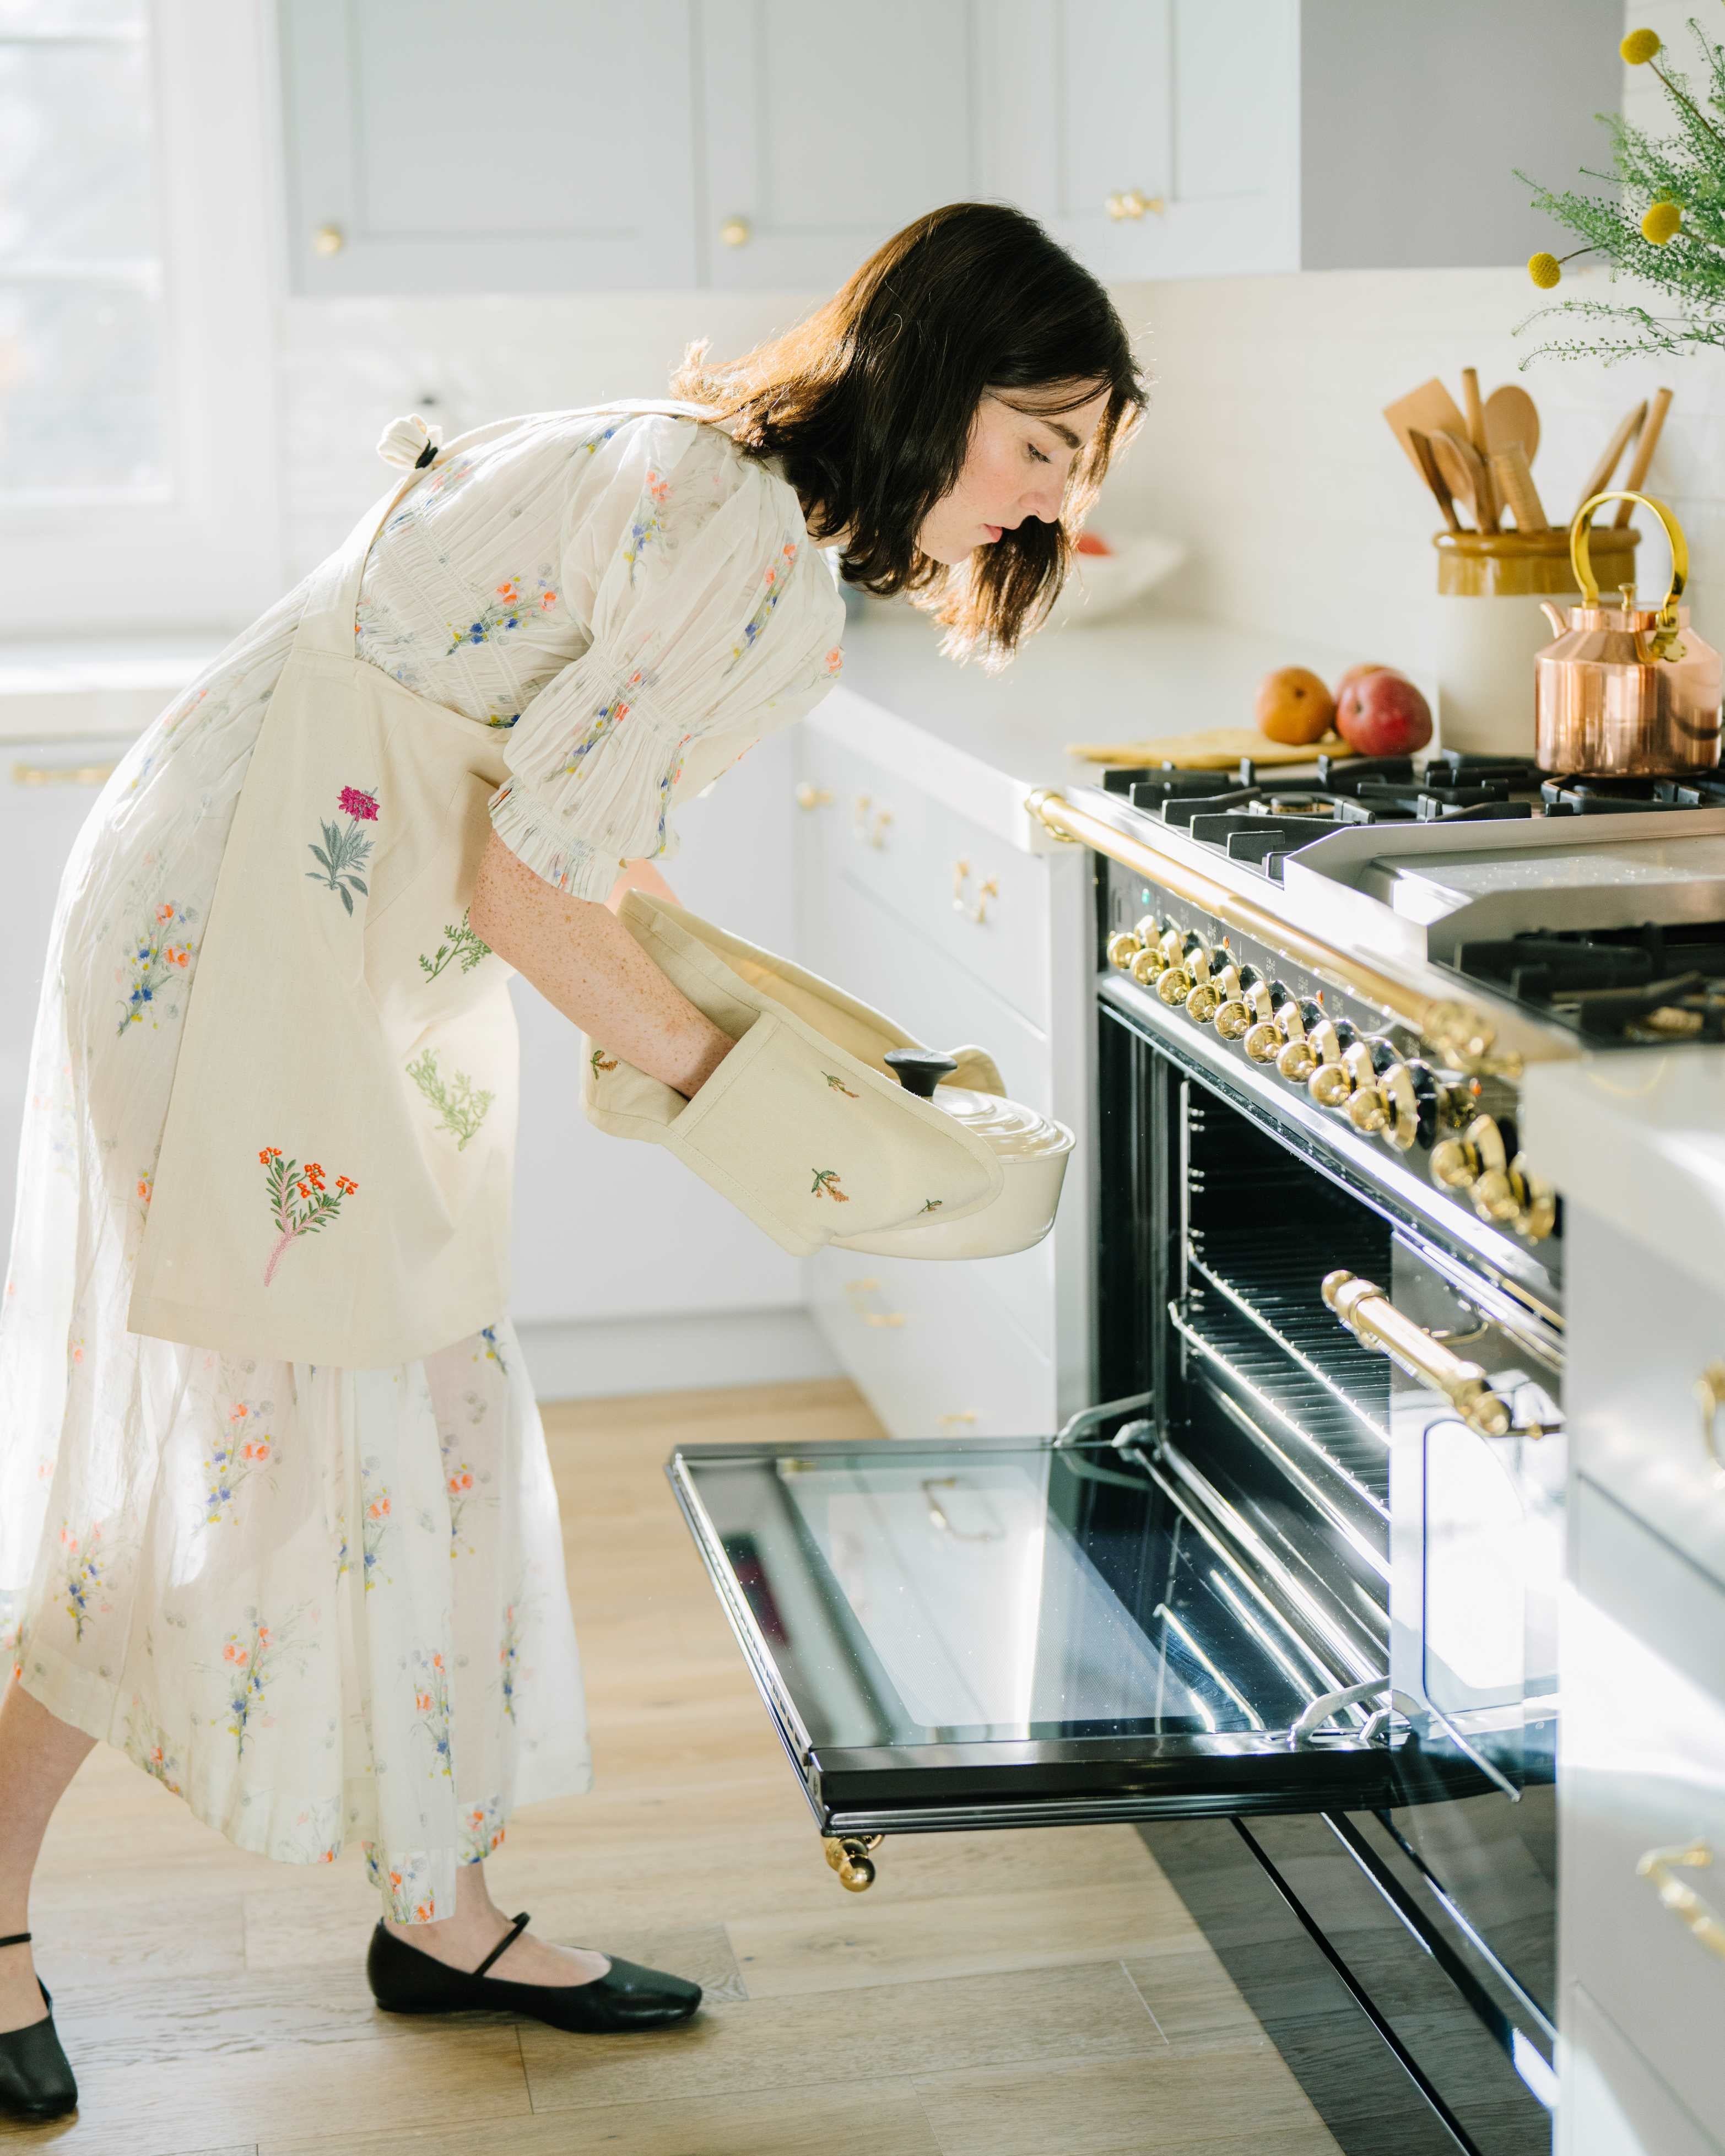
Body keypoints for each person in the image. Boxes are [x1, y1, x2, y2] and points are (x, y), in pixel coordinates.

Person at [0, 200, 1143, 2117]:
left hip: (317, 903)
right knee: (234, 1436)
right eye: (1040, 442)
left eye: (1083, 469)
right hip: (258, 930)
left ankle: (437, 1908)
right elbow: (529, 883)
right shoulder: (736, 542)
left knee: (427, 1415)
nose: (1045, 506)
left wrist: (785, 1048)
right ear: (936, 381)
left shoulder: (725, 499)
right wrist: (765, 1110)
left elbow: (572, 838)